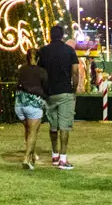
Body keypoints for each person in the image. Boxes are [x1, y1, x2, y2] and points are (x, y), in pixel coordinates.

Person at [36, 24, 80, 170]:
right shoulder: (69, 51)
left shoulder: (43, 51)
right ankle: (63, 159)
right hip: (65, 92)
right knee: (64, 126)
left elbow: (39, 71)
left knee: (53, 126)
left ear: (50, 35)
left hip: (49, 93)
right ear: (62, 36)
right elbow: (75, 72)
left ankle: (54, 155)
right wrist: (73, 90)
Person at [14, 49, 49, 170]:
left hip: (19, 103)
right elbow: (46, 87)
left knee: (28, 130)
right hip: (33, 105)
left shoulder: (21, 69)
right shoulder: (42, 71)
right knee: (33, 132)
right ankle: (26, 158)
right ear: (38, 59)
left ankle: (32, 154)